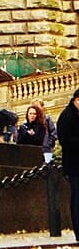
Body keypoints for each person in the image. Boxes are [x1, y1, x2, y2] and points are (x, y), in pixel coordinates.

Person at [56, 89, 79, 240]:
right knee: (77, 198)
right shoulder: (67, 116)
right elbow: (64, 140)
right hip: (74, 165)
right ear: (76, 100)